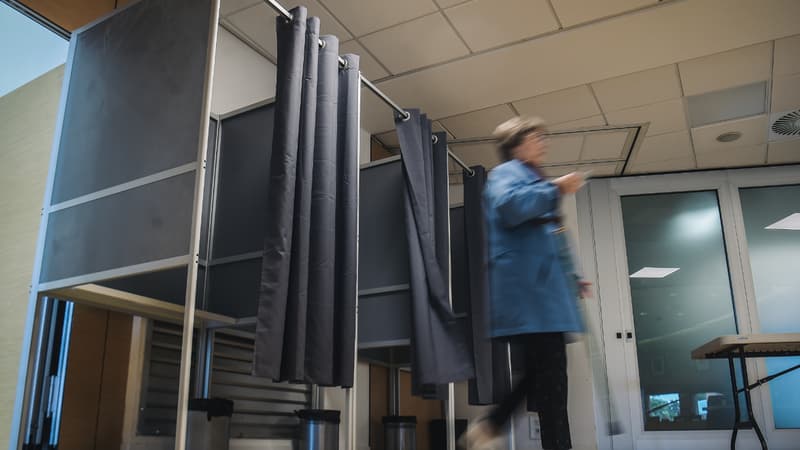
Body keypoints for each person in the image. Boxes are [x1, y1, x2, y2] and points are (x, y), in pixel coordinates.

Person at [463, 116, 590, 450]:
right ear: (516, 145)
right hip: (531, 295)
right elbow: (509, 207)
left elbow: (550, 237)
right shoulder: (506, 174)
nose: (543, 143)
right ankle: (495, 424)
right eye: (536, 138)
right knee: (551, 382)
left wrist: (574, 278)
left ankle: (492, 424)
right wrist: (556, 188)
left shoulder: (534, 178)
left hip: (544, 294)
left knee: (545, 377)